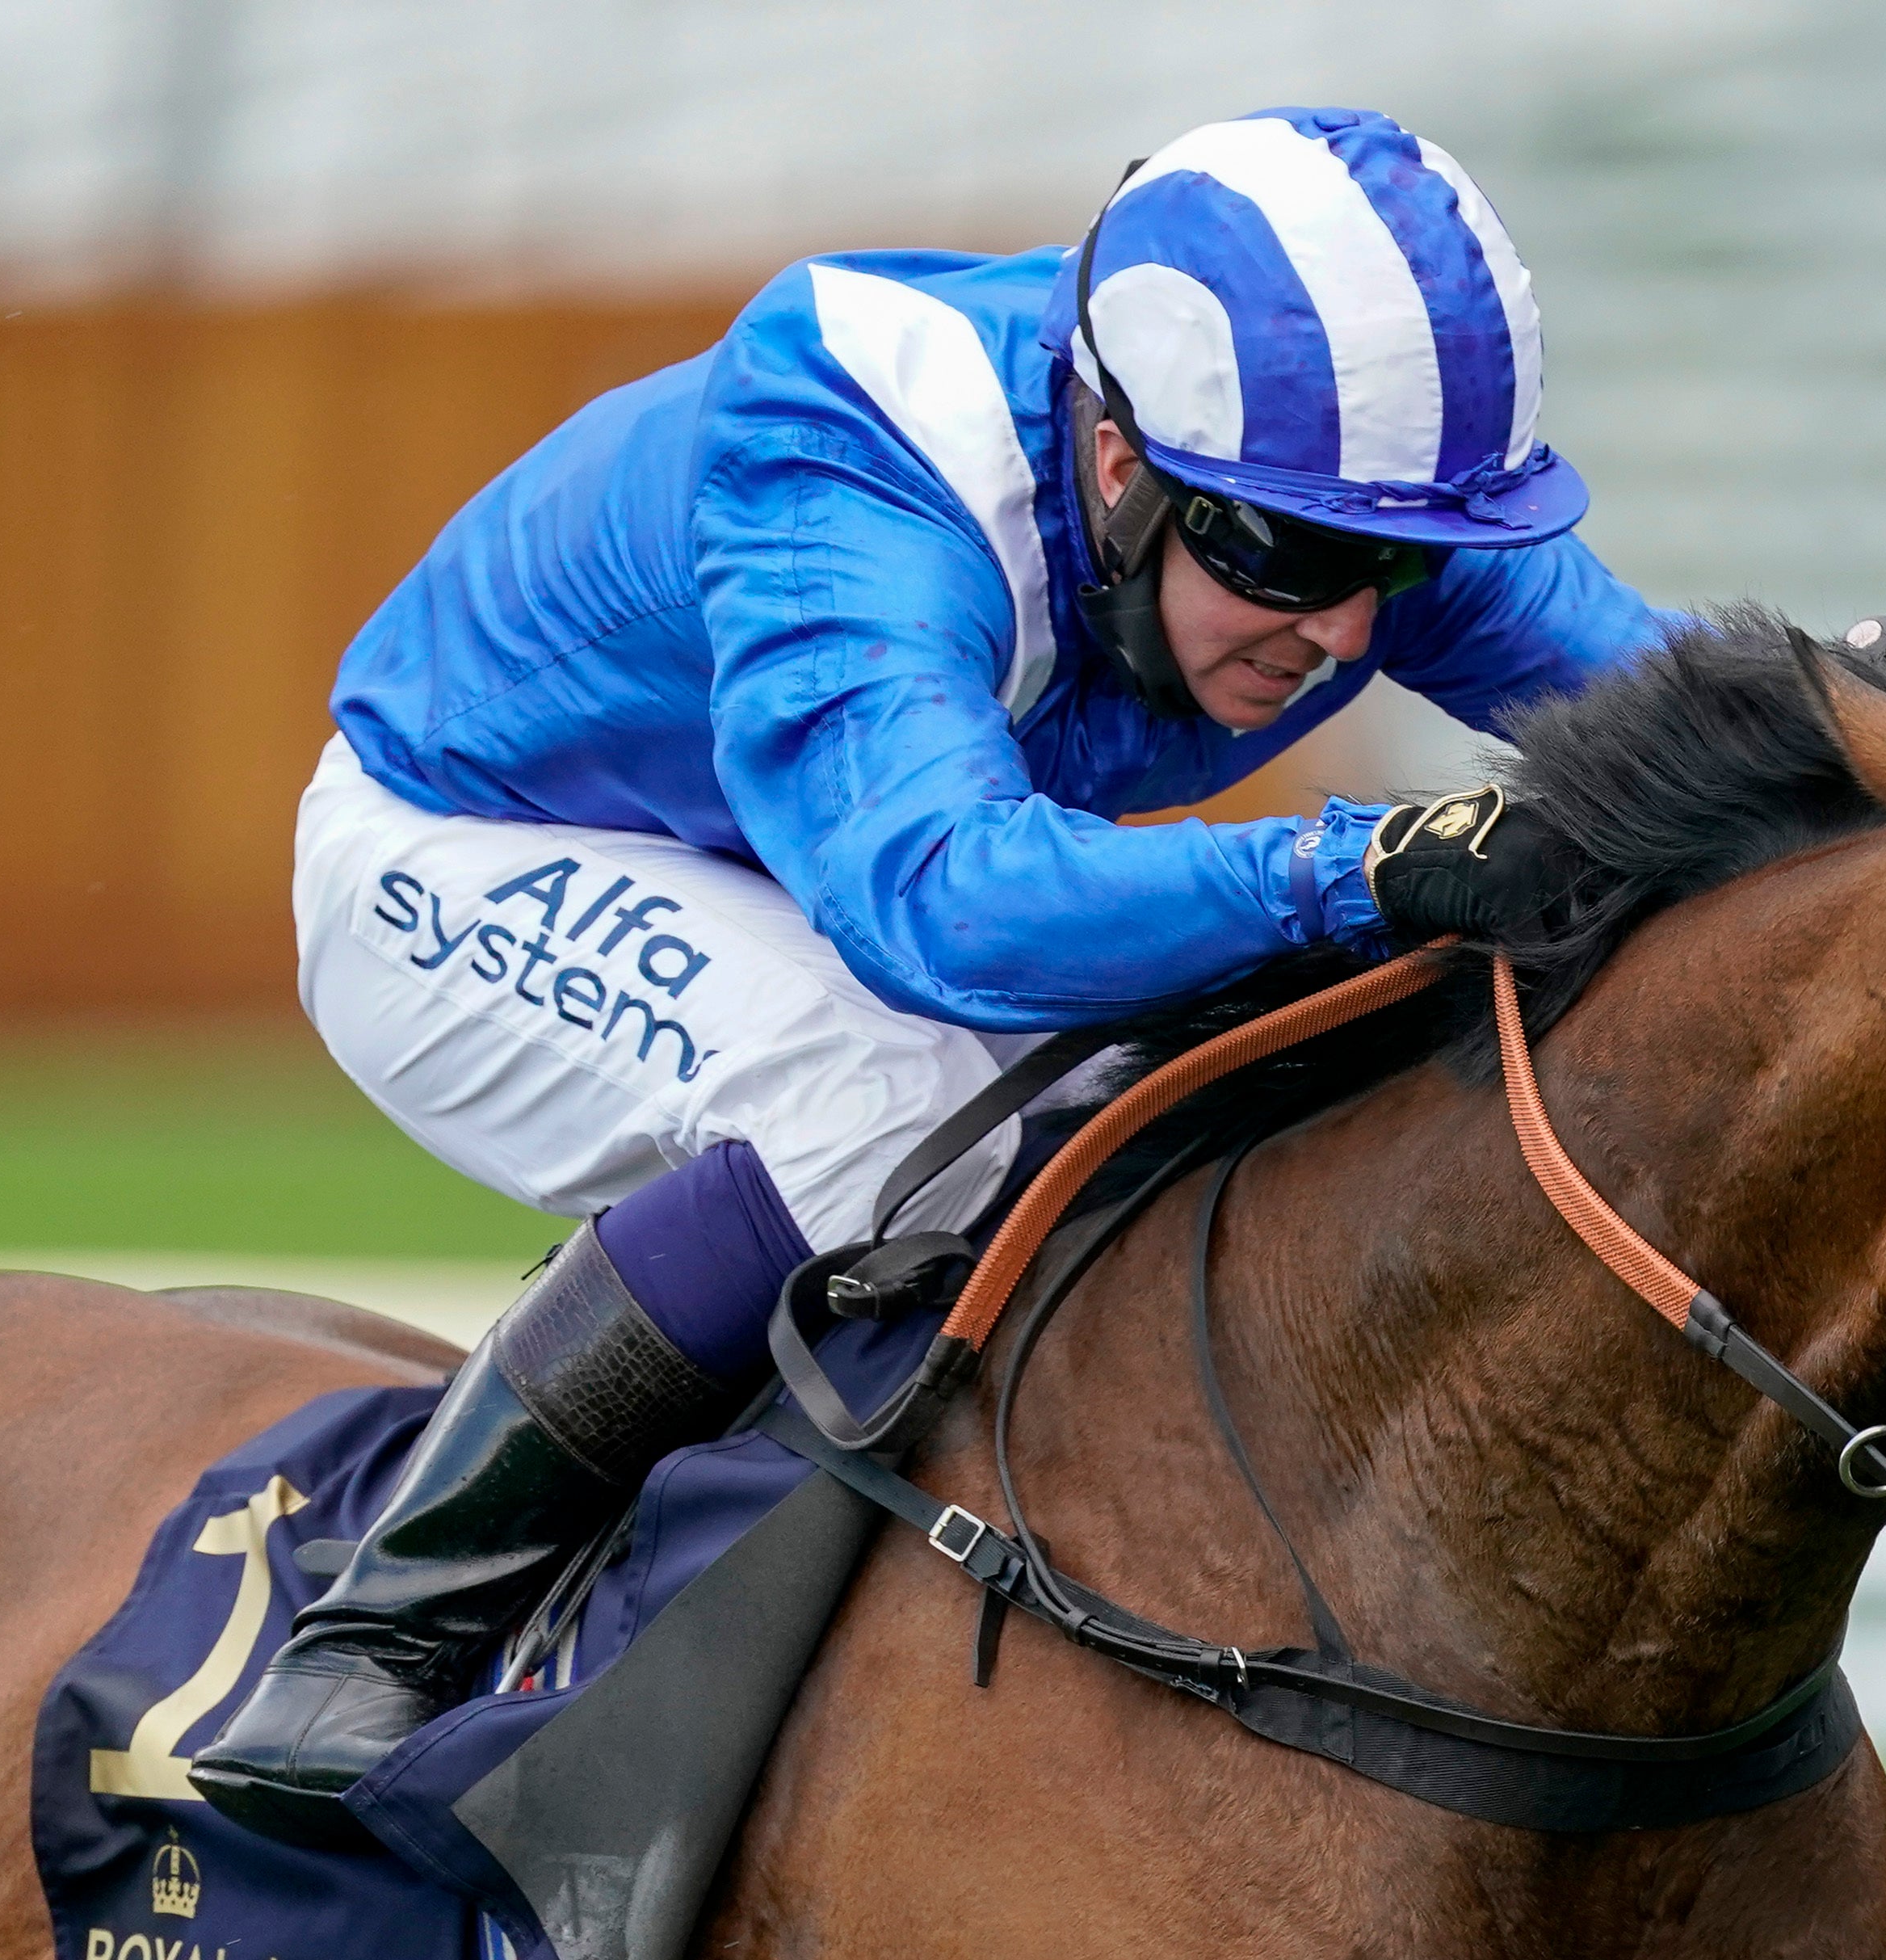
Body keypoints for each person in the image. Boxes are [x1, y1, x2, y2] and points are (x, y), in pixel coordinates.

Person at [191, 105, 1671, 1849]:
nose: (1348, 630)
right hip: (452, 844)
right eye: (1288, 561)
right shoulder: (866, 452)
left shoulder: (1290, 475)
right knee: (885, 1110)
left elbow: (1669, 709)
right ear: (1118, 462)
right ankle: (382, 1634)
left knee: (1180, 1096)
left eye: (1400, 573)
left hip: (790, 871)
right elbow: (935, 906)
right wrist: (1354, 865)